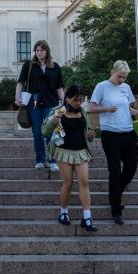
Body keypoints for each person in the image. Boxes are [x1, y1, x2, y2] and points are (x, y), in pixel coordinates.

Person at [88, 61, 138, 225]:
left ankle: (115, 194)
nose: (122, 79)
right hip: (110, 134)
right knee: (114, 171)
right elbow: (90, 108)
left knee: (131, 168)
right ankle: (116, 209)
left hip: (128, 132)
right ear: (112, 71)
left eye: (124, 77)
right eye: (119, 76)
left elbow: (127, 108)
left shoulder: (126, 88)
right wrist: (106, 109)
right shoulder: (102, 86)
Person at [41, 85, 97, 232]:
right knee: (68, 183)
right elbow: (44, 130)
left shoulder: (82, 112)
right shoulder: (57, 111)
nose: (78, 103)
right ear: (67, 98)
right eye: (75, 100)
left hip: (80, 151)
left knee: (84, 182)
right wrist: (54, 119)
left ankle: (87, 217)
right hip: (63, 150)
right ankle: (64, 212)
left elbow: (89, 131)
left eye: (80, 100)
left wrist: (90, 135)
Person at [15, 40, 65, 171]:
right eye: (37, 50)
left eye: (42, 50)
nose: (39, 53)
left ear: (47, 51)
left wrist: (64, 101)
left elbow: (59, 86)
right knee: (37, 132)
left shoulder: (55, 67)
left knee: (51, 132)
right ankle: (40, 159)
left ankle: (52, 160)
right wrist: (17, 97)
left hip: (51, 103)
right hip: (34, 103)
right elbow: (20, 82)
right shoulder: (29, 65)